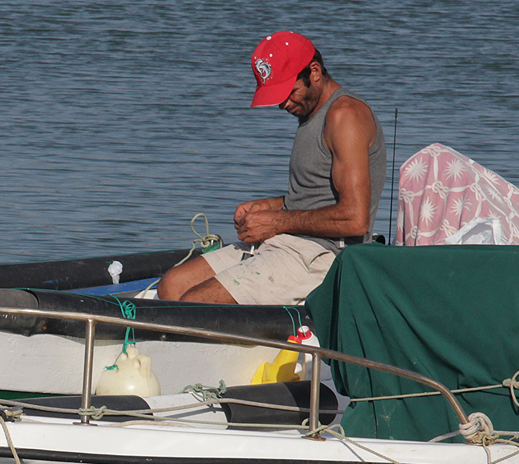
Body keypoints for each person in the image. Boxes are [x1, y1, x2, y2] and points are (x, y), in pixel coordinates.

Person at [158, 31, 386, 305]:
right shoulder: (310, 112)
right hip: (288, 240)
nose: (283, 104)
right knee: (172, 285)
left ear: (314, 72)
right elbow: (316, 196)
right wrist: (268, 207)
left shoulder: (344, 116)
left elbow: (354, 219)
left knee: (195, 303)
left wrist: (276, 222)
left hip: (322, 255)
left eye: (288, 92)